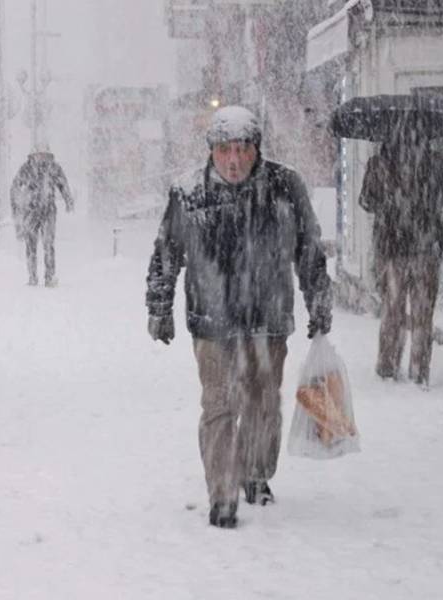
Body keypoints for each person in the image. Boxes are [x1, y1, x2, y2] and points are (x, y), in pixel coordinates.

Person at [145, 106, 332, 528]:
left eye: (243, 150)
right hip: (212, 320)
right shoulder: (188, 192)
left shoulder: (285, 187)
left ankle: (254, 473)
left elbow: (309, 249)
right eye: (225, 150)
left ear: (257, 150)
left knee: (263, 403)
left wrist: (319, 299)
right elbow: (166, 253)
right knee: (219, 406)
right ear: (211, 151)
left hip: (268, 316)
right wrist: (159, 306)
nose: (234, 160)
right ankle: (223, 492)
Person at [358, 135, 443, 385]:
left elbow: (365, 201)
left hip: (392, 248)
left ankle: (388, 366)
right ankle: (419, 371)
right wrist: (421, 206)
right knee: (423, 314)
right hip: (426, 247)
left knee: (393, 310)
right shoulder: (435, 162)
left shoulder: (379, 163)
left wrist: (390, 206)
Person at [10, 146, 74, 287]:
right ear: (33, 155)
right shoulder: (26, 169)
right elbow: (15, 187)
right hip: (31, 212)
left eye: (44, 154)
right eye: (39, 154)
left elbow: (62, 184)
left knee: (48, 244)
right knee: (31, 245)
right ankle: (33, 277)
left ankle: (49, 277)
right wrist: (17, 206)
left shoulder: (53, 168)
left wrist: (68, 200)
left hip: (48, 211)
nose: (41, 157)